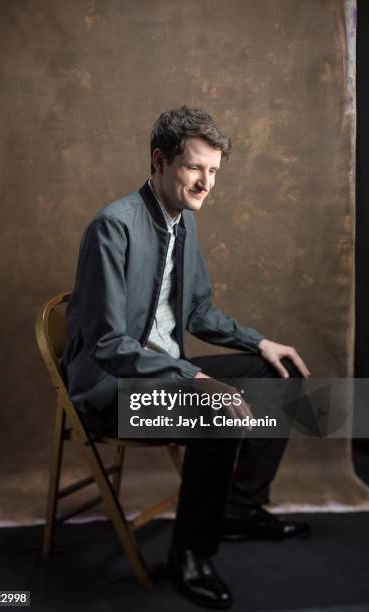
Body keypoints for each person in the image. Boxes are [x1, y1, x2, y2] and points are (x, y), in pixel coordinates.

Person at [62, 106, 310, 609]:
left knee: (277, 374)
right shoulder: (113, 227)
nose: (206, 183)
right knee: (219, 411)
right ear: (160, 160)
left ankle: (239, 510)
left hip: (168, 376)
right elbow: (109, 346)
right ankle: (189, 555)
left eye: (214, 171)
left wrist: (258, 342)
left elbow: (197, 312)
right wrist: (193, 375)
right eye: (195, 167)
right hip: (113, 393)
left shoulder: (184, 222)